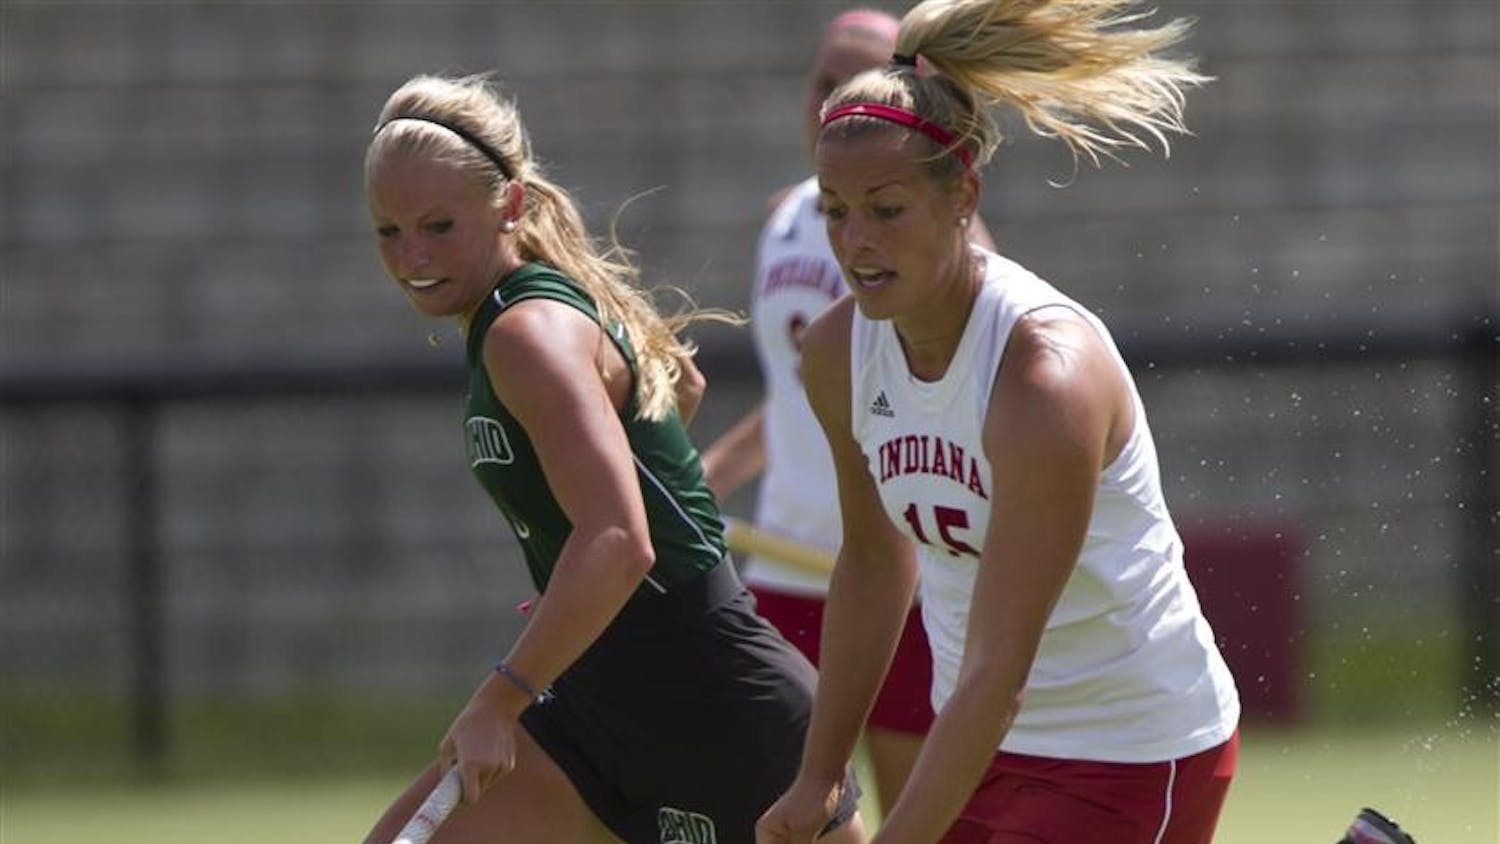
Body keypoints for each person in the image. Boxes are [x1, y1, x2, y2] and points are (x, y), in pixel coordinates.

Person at [755, 1, 1241, 843]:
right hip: (980, 738)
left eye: (887, 207)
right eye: (836, 210)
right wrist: (821, 776)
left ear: (962, 196)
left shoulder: (1042, 379)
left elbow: (999, 668)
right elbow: (873, 563)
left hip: (1128, 747)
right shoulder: (839, 352)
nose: (856, 242)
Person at [361, 73, 864, 844]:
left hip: (716, 705)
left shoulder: (524, 332)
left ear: (512, 207)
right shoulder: (525, 310)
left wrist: (498, 699)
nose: (412, 256)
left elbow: (620, 540)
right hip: (596, 705)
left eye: (437, 225)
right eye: (388, 232)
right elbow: (679, 389)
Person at [701, 7, 992, 813]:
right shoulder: (789, 217)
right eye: (821, 83)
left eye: (854, 83)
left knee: (917, 816)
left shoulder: (949, 243)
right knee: (777, 807)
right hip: (787, 567)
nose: (831, 100)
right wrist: (703, 477)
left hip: (898, 574)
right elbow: (800, 394)